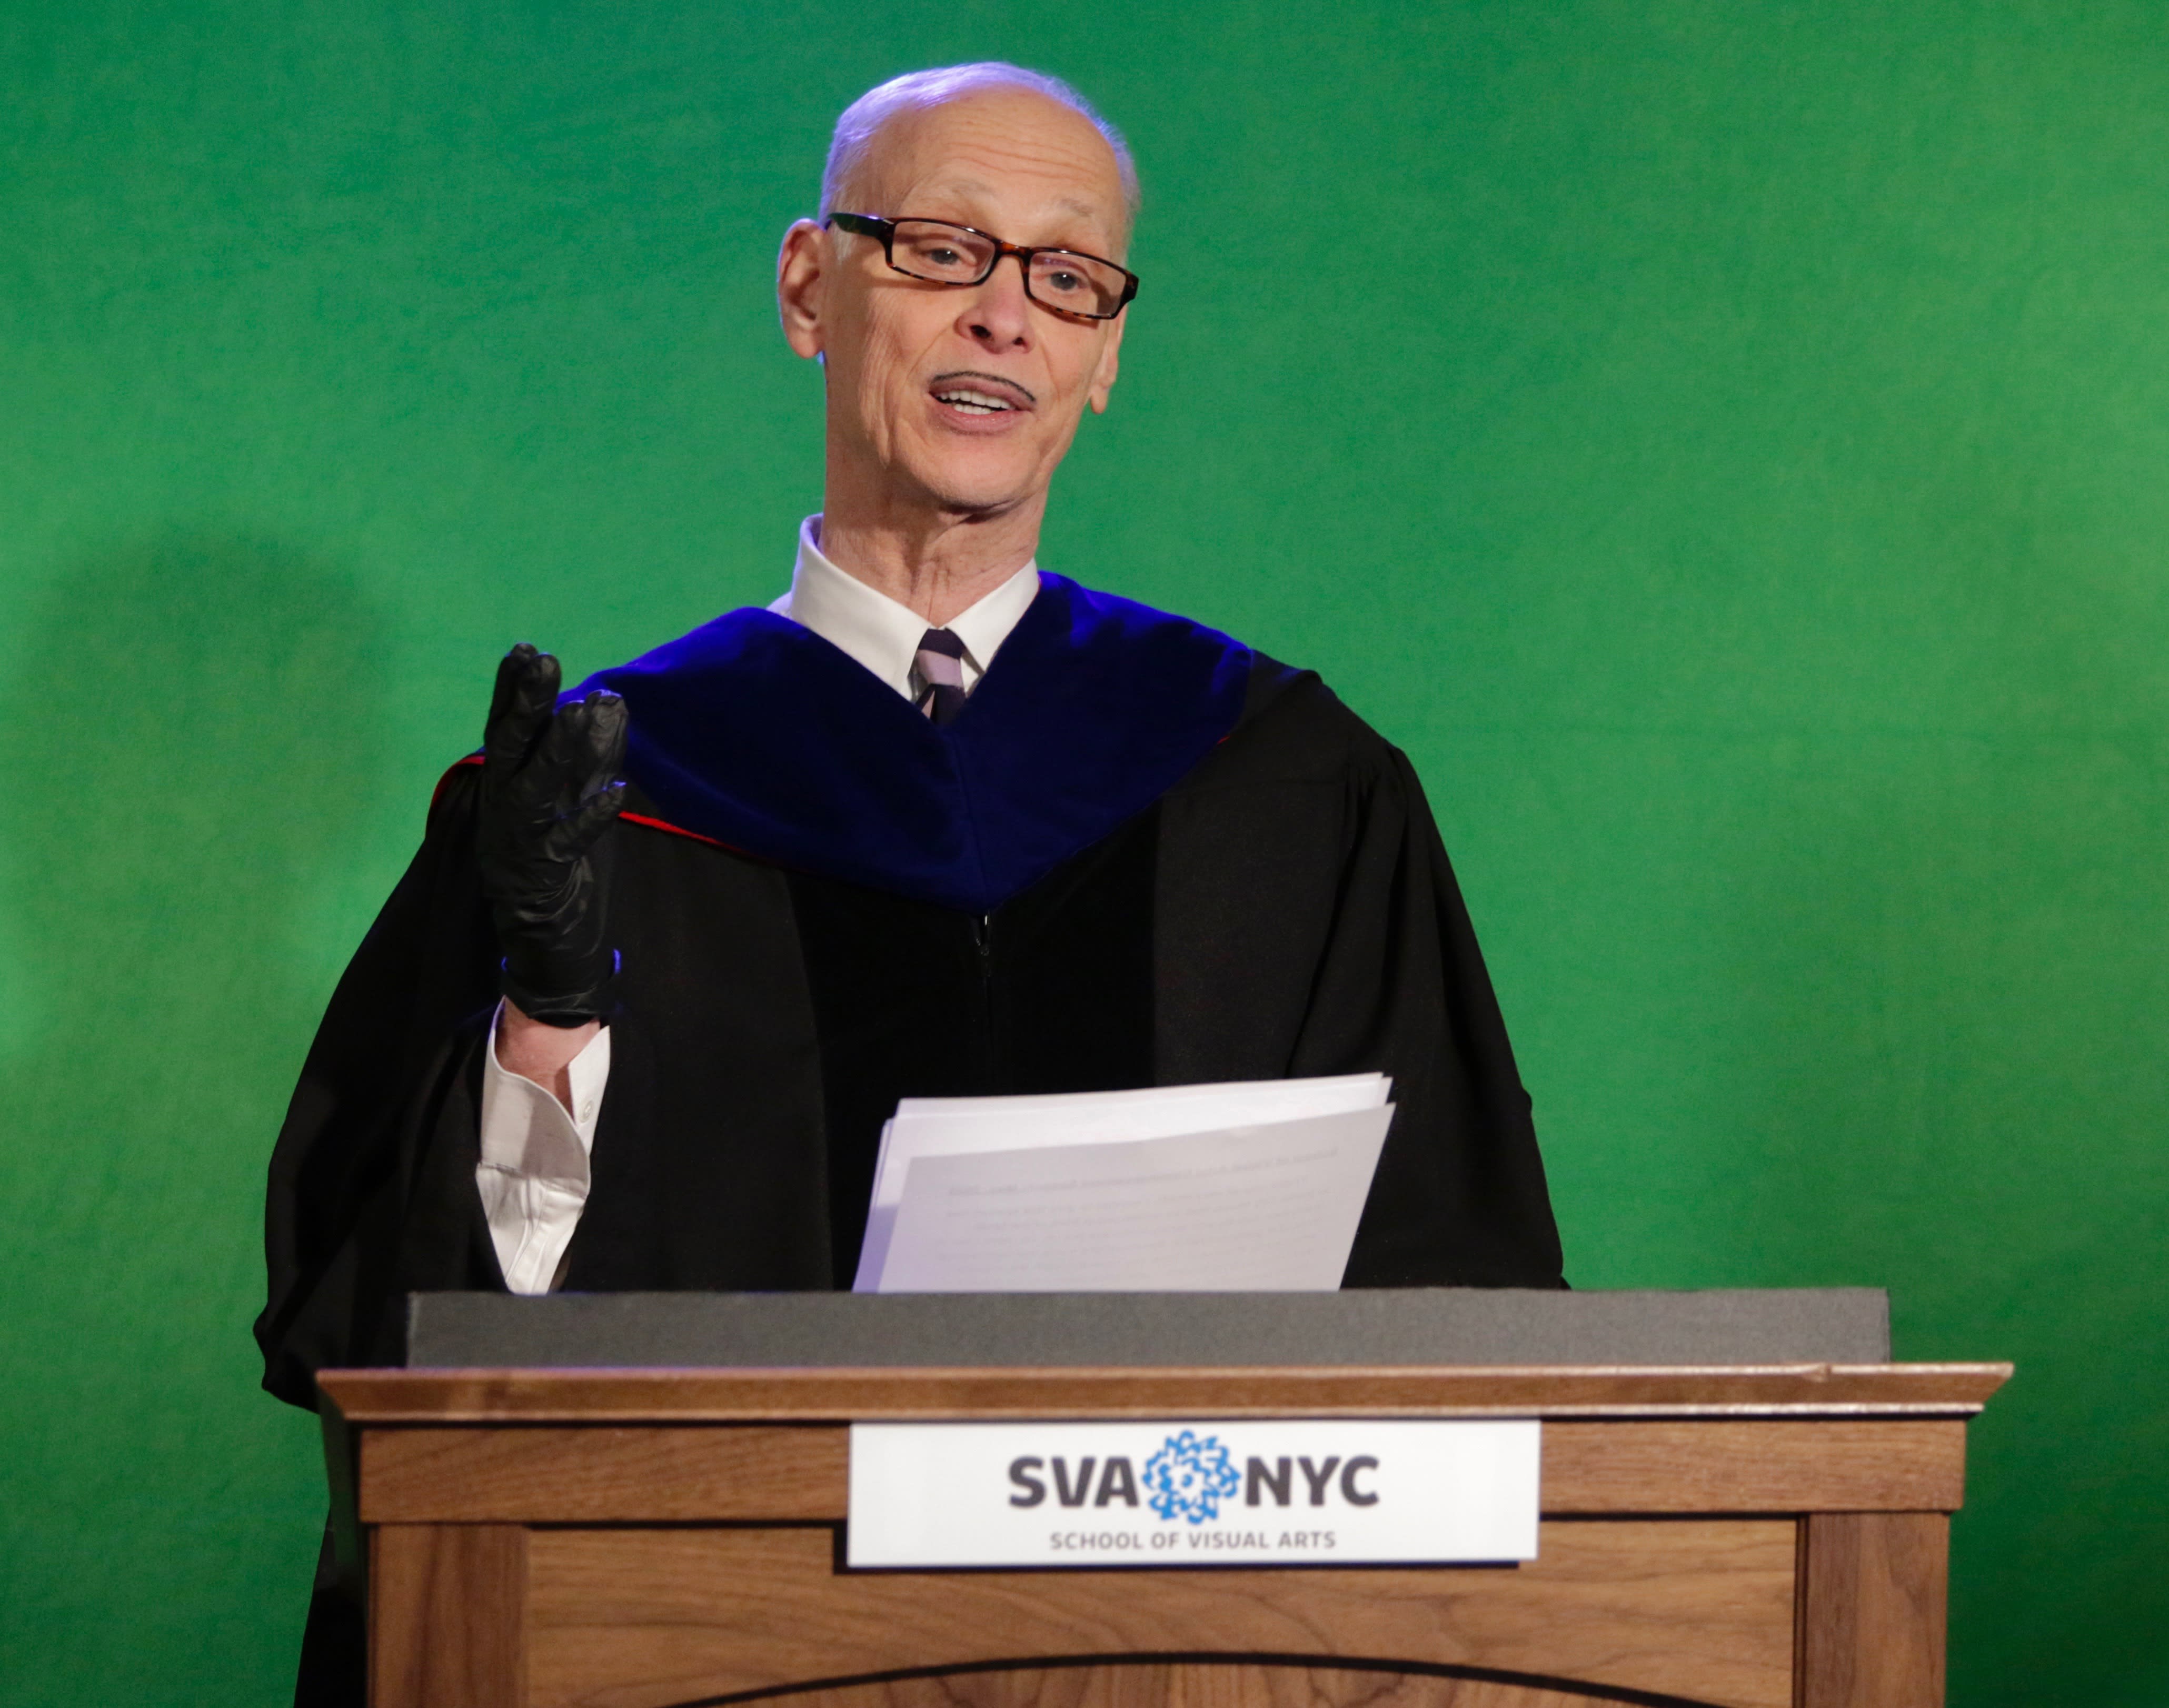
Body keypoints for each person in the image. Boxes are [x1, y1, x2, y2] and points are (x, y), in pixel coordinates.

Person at [261, 62, 1565, 1695]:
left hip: (1182, 1657)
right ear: (813, 287)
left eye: (1067, 277)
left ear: (1105, 358)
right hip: (721, 1645)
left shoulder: (1289, 783)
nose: (1006, 315)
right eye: (944, 249)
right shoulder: (603, 796)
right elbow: (411, 1349)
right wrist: (545, 1027)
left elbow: (1455, 1289)